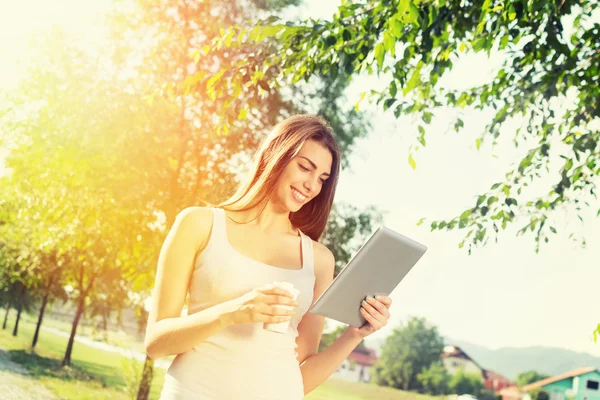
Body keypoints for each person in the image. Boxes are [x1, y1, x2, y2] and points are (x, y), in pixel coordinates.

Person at [145, 114, 393, 399]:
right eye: (304, 168)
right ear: (276, 154)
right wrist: (232, 312)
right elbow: (156, 344)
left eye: (322, 179)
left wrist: (354, 335)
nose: (312, 185)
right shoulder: (199, 224)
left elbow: (303, 371)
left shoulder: (319, 260)